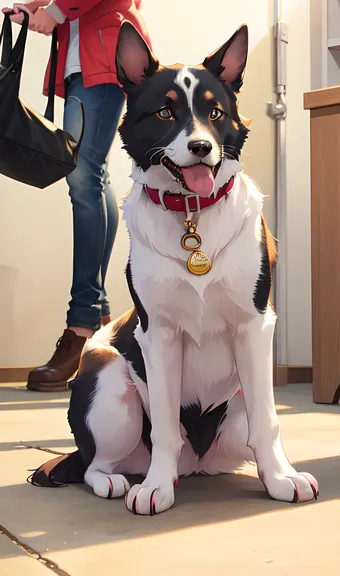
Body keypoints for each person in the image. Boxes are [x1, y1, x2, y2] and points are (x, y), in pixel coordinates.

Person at [2, 0, 151, 392]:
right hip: (86, 59)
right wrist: (36, 9)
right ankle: (100, 330)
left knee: (84, 178)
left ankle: (81, 324)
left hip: (103, 56)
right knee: (92, 180)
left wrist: (56, 10)